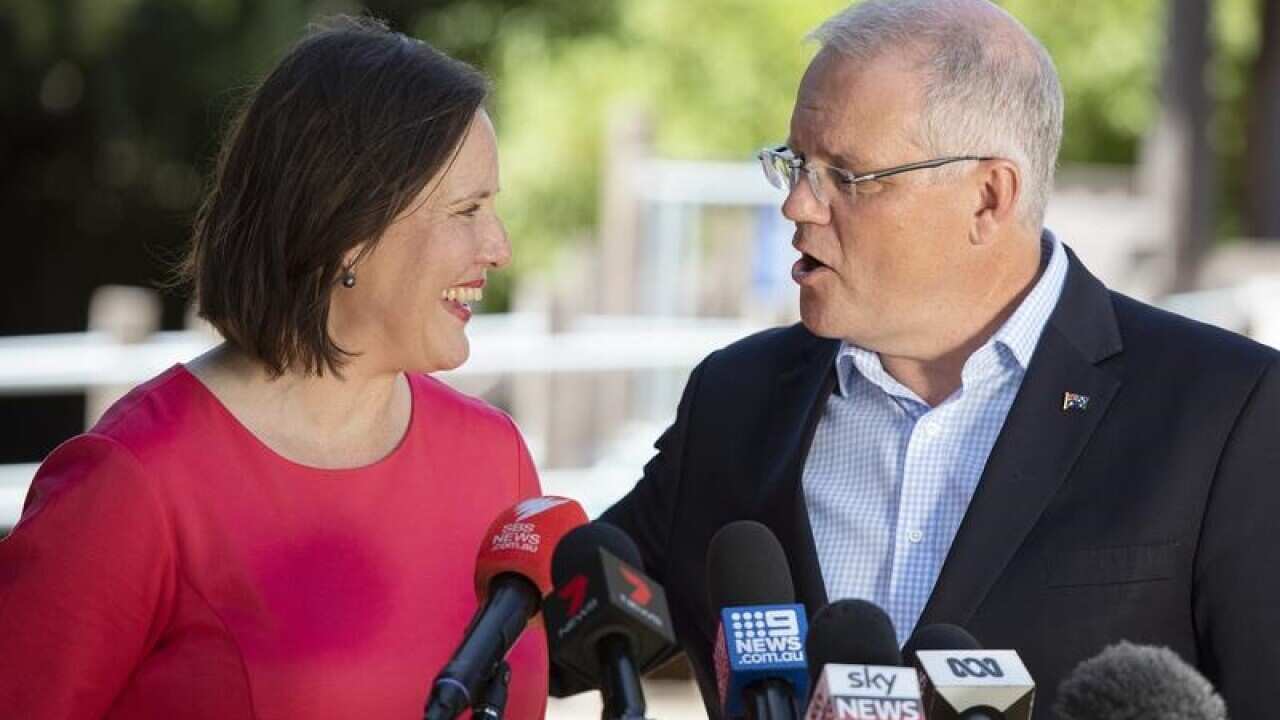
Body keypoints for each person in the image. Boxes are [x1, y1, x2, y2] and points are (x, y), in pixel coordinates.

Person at [601, 1, 1280, 717]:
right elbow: (556, 617)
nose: (798, 204)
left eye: (847, 176)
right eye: (798, 164)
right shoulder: (735, 401)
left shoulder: (1226, 412)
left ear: (989, 198)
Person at [0, 17, 549, 719]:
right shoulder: (137, 481)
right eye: (467, 209)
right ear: (349, 228)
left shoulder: (494, 462)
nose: (498, 246)